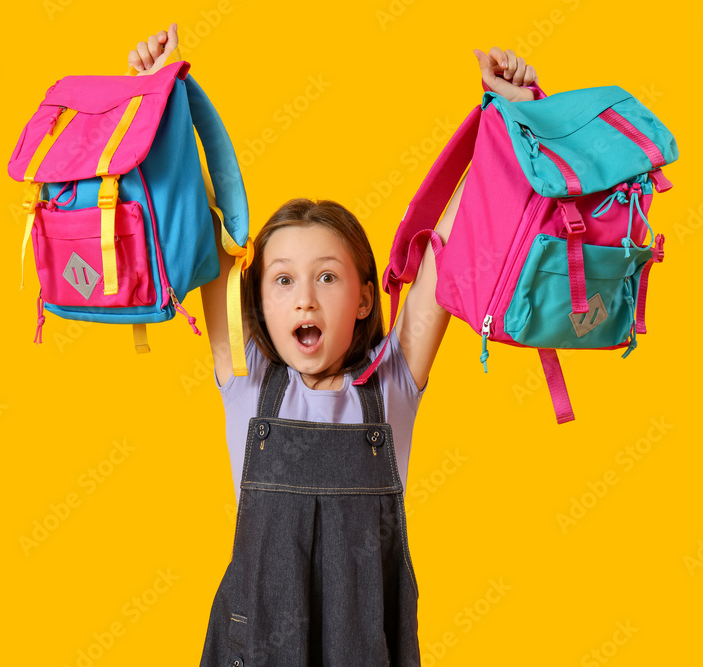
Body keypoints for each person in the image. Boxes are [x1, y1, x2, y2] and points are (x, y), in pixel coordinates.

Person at [129, 24, 541, 666]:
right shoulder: (244, 373)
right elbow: (191, 217)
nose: (304, 299)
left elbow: (456, 236)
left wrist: (509, 120)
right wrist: (155, 104)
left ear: (365, 299)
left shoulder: (393, 382)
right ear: (257, 302)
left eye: (328, 276)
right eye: (284, 279)